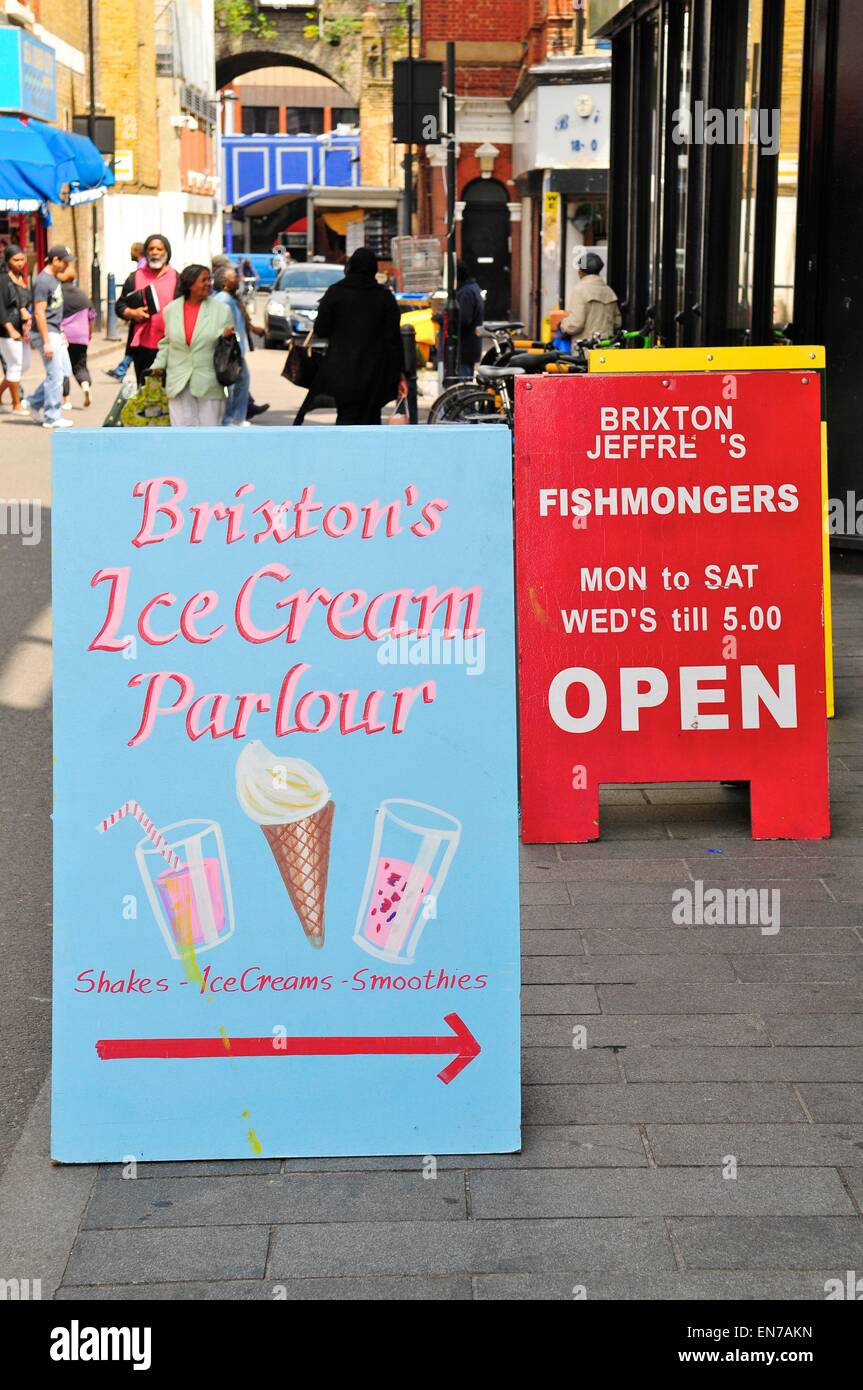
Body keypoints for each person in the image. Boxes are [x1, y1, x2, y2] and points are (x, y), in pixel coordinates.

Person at [311, 246, 406, 425]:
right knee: (371, 419)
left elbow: (321, 329)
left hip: (342, 369)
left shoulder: (335, 293)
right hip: (375, 372)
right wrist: (399, 374)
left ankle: (346, 451)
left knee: (346, 417)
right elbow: (393, 340)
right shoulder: (384, 297)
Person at [150, 264, 235, 426]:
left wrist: (226, 337)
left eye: (209, 279)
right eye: (204, 280)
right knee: (181, 436)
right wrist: (158, 365)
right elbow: (167, 343)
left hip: (209, 382)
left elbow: (228, 349)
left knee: (209, 437)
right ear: (189, 284)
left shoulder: (222, 310)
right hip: (178, 381)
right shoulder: (171, 310)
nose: (209, 283)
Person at [116, 234, 180, 385]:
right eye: (151, 249)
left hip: (171, 345)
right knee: (145, 392)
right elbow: (119, 306)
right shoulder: (135, 277)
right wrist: (132, 313)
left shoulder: (177, 278)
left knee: (168, 392)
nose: (155, 252)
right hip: (142, 347)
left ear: (166, 252)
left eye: (159, 249)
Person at [25, 244, 75, 429]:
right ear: (55, 260)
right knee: (55, 375)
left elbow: (54, 309)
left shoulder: (54, 278)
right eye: (65, 262)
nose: (67, 266)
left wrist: (60, 332)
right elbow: (39, 313)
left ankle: (33, 401)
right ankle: (52, 416)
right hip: (45, 333)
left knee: (63, 372)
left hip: (54, 331)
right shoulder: (43, 281)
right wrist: (47, 342)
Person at [213, 264, 252, 426]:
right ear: (224, 281)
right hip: (230, 350)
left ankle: (236, 417)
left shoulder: (231, 298)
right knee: (232, 384)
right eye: (234, 278)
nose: (238, 280)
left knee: (241, 382)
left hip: (237, 349)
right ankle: (231, 418)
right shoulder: (223, 299)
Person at [0, 244, 33, 415]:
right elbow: (0, 307)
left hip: (23, 330)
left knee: (24, 365)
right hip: (7, 330)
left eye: (22, 259)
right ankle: (16, 404)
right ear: (7, 260)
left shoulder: (22, 278)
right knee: (15, 365)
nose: (20, 263)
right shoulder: (3, 279)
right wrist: (9, 328)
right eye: (16, 260)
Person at [560, 252, 622, 341]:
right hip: (606, 348)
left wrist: (562, 325)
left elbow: (575, 325)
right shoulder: (609, 290)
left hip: (586, 349)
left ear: (581, 272)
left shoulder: (580, 290)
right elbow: (617, 323)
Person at [107, 241, 146, 380]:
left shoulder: (141, 270)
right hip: (138, 318)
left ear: (136, 251)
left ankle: (121, 369)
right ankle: (121, 369)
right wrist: (130, 312)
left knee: (135, 347)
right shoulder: (135, 274)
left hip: (146, 323)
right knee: (133, 346)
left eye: (131, 250)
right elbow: (121, 305)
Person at [59, 273, 96, 407]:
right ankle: (85, 385)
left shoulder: (59, 294)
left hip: (64, 336)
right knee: (80, 365)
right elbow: (92, 316)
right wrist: (89, 334)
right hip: (81, 335)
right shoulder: (82, 295)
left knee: (63, 367)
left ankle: (67, 400)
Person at [455, 259, 484, 379]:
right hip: (470, 346)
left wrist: (442, 318)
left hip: (465, 347)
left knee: (464, 385)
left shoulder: (466, 293)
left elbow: (464, 319)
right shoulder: (472, 288)